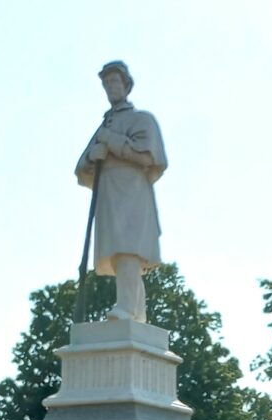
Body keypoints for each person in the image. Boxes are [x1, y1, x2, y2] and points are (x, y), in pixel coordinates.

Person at [75, 60, 167, 323]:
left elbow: (150, 155)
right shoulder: (105, 125)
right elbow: (81, 168)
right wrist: (93, 157)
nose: (110, 87)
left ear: (126, 85)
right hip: (109, 194)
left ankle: (128, 307)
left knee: (129, 248)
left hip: (132, 192)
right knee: (119, 253)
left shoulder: (141, 119)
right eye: (106, 83)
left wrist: (112, 143)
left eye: (114, 81)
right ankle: (136, 312)